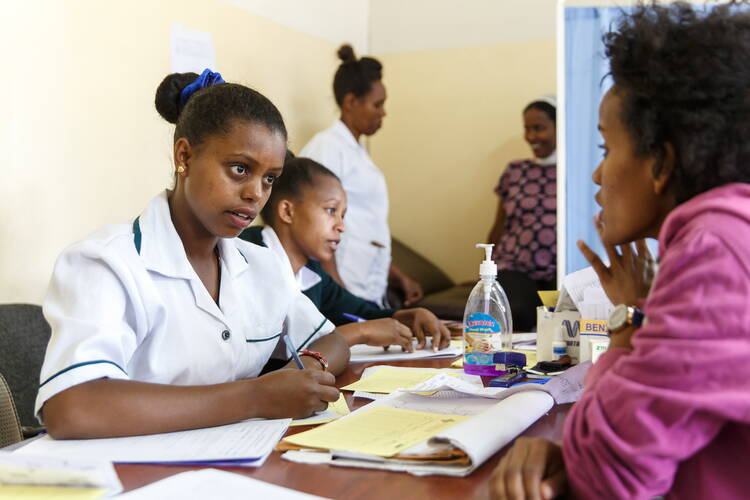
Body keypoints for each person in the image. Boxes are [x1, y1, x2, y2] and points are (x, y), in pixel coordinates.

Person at [490, 2, 750, 499]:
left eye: (606, 149)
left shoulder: (713, 253)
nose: (595, 174)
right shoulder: (723, 238)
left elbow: (609, 477)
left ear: (661, 163)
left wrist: (624, 325)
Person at [35, 70, 350, 439]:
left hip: (238, 461)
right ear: (184, 156)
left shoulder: (260, 264)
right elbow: (72, 408)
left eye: (269, 178)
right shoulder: (107, 262)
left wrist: (308, 368)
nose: (255, 194)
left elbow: (332, 340)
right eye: (239, 169)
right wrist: (255, 396)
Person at [239, 156, 451, 352]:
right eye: (331, 210)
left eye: (343, 215)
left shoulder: (312, 273)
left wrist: (406, 317)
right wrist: (360, 333)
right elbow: (276, 353)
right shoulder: (246, 256)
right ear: (287, 211)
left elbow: (360, 314)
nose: (341, 226)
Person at [300, 44, 423, 308]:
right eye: (377, 104)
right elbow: (316, 221)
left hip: (366, 284)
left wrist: (399, 277)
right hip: (345, 281)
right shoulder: (328, 148)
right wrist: (335, 288)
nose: (383, 112)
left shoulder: (356, 151)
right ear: (351, 102)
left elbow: (367, 226)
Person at [486, 96, 557, 331]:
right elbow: (499, 225)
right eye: (527, 129)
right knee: (517, 312)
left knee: (563, 317)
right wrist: (486, 271)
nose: (531, 137)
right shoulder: (515, 170)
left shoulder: (572, 170)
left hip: (558, 266)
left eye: (539, 128)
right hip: (516, 265)